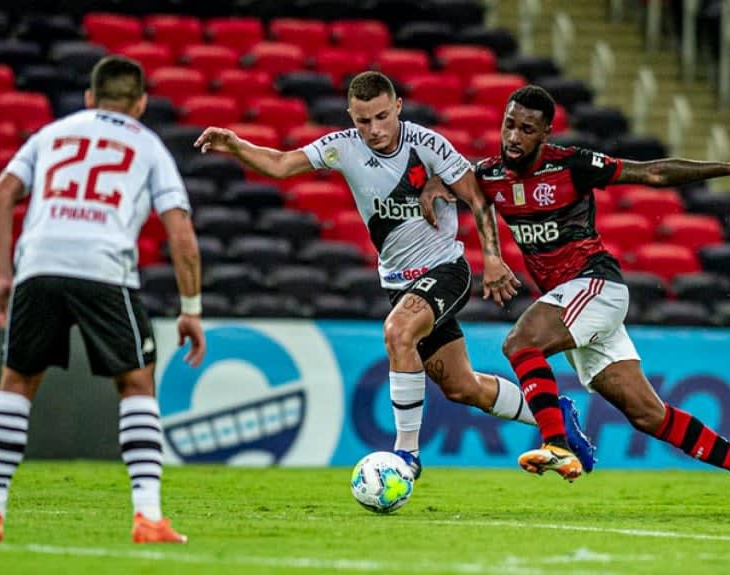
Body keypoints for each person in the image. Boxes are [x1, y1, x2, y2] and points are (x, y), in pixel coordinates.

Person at [194, 71, 597, 478]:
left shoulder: (427, 144)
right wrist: (236, 145)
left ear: (398, 108)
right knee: (461, 387)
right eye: (363, 120)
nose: (374, 130)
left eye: (382, 117)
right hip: (399, 283)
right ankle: (555, 418)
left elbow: (476, 194)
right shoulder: (342, 147)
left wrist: (491, 258)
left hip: (444, 269)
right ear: (351, 116)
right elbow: (282, 165)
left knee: (398, 331)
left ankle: (406, 456)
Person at [419, 84, 730, 515]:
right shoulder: (490, 175)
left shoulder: (572, 165)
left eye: (526, 129)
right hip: (572, 304)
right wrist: (435, 186)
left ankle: (557, 444)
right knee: (648, 415)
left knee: (520, 343)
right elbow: (461, 186)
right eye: (509, 125)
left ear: (545, 134)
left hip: (596, 285)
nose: (514, 137)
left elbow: (652, 173)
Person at [0, 55, 207, 543]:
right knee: (136, 383)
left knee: (16, 382)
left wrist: (1, 275)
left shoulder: (52, 133)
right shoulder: (148, 145)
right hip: (104, 268)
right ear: (140, 103)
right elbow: (179, 230)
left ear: (89, 98)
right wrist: (190, 310)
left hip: (38, 263)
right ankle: (148, 517)